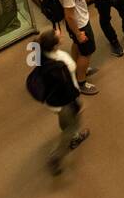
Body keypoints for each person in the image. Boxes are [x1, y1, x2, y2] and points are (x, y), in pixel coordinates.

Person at [32, 27, 90, 175]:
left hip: (52, 101)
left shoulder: (41, 56)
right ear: (55, 45)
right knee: (72, 125)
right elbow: (69, 85)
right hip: (65, 100)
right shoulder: (62, 60)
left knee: (64, 120)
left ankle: (74, 135)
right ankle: (56, 157)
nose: (61, 34)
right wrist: (77, 102)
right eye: (59, 36)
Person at [57, 0, 99, 95]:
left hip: (79, 20)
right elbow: (69, 16)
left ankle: (75, 69)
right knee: (87, 52)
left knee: (78, 45)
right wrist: (79, 33)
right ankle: (81, 82)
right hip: (79, 23)